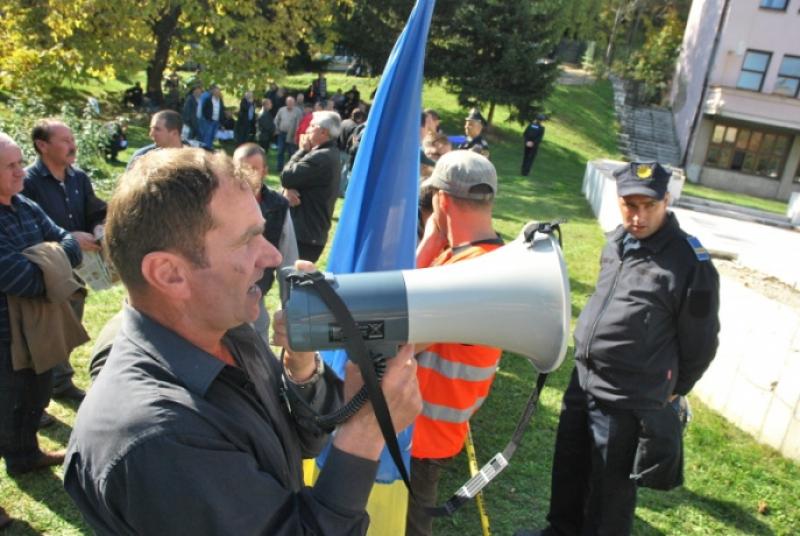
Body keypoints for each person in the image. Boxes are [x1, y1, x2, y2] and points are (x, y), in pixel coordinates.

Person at [63, 147, 422, 534]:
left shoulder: (227, 330)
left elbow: (301, 442)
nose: (271, 256)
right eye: (248, 240)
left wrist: (300, 369)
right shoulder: (156, 438)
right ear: (168, 274)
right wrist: (366, 432)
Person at [517, 162, 720, 536]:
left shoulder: (691, 264)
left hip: (628, 397)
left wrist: (676, 388)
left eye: (648, 206)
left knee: (609, 497)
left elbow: (702, 342)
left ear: (667, 201)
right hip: (583, 380)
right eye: (629, 205)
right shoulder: (616, 242)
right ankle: (560, 531)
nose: (638, 216)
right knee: (569, 468)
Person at [407, 151, 504, 536]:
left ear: (441, 201)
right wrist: (433, 243)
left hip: (423, 433)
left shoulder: (465, 271)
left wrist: (429, 239)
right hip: (430, 426)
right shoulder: (476, 256)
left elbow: (397, 334)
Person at [0, 132, 82, 478]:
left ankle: (26, 454)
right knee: (5, 406)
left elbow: (71, 243)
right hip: (4, 335)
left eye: (20, 163)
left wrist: (44, 259)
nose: (21, 172)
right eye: (10, 166)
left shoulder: (26, 206)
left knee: (36, 395)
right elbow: (19, 279)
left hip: (38, 327)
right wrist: (53, 264)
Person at [23, 119, 107, 402]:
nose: (73, 145)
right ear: (42, 146)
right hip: (48, 270)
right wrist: (69, 238)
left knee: (71, 324)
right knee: (48, 330)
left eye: (72, 139)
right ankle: (46, 387)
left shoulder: (78, 178)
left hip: (81, 267)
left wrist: (98, 227)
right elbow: (26, 230)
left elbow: (94, 208)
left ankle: (61, 382)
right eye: (65, 140)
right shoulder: (27, 183)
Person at [232, 143, 298, 345]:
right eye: (240, 168)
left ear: (265, 171)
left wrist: (290, 308)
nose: (246, 175)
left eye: (253, 169)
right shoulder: (218, 202)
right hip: (224, 292)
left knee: (257, 343)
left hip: (256, 291)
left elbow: (288, 259)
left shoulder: (278, 206)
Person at [280, 111, 341, 263]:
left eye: (312, 126)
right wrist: (288, 188)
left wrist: (302, 150)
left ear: (323, 132)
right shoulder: (329, 153)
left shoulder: (321, 157)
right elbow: (292, 181)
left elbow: (286, 177)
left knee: (293, 282)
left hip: (305, 236)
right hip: (310, 233)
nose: (307, 130)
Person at [274, 96, 304, 172]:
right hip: (281, 133)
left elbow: (300, 124)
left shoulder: (298, 111)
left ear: (294, 103)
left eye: (291, 102)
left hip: (292, 135)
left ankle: (290, 168)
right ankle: (279, 168)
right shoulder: (281, 110)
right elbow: (276, 120)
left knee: (291, 152)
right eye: (288, 102)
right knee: (280, 151)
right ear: (286, 102)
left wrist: (296, 135)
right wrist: (276, 129)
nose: (290, 104)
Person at [199, 84, 224, 149]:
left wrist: (221, 121)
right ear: (213, 92)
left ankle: (209, 147)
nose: (218, 93)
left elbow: (222, 109)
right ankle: (206, 149)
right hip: (209, 120)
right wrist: (206, 117)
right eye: (216, 91)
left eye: (219, 91)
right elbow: (203, 109)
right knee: (207, 135)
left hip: (217, 121)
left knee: (213, 136)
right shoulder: (208, 99)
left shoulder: (220, 100)